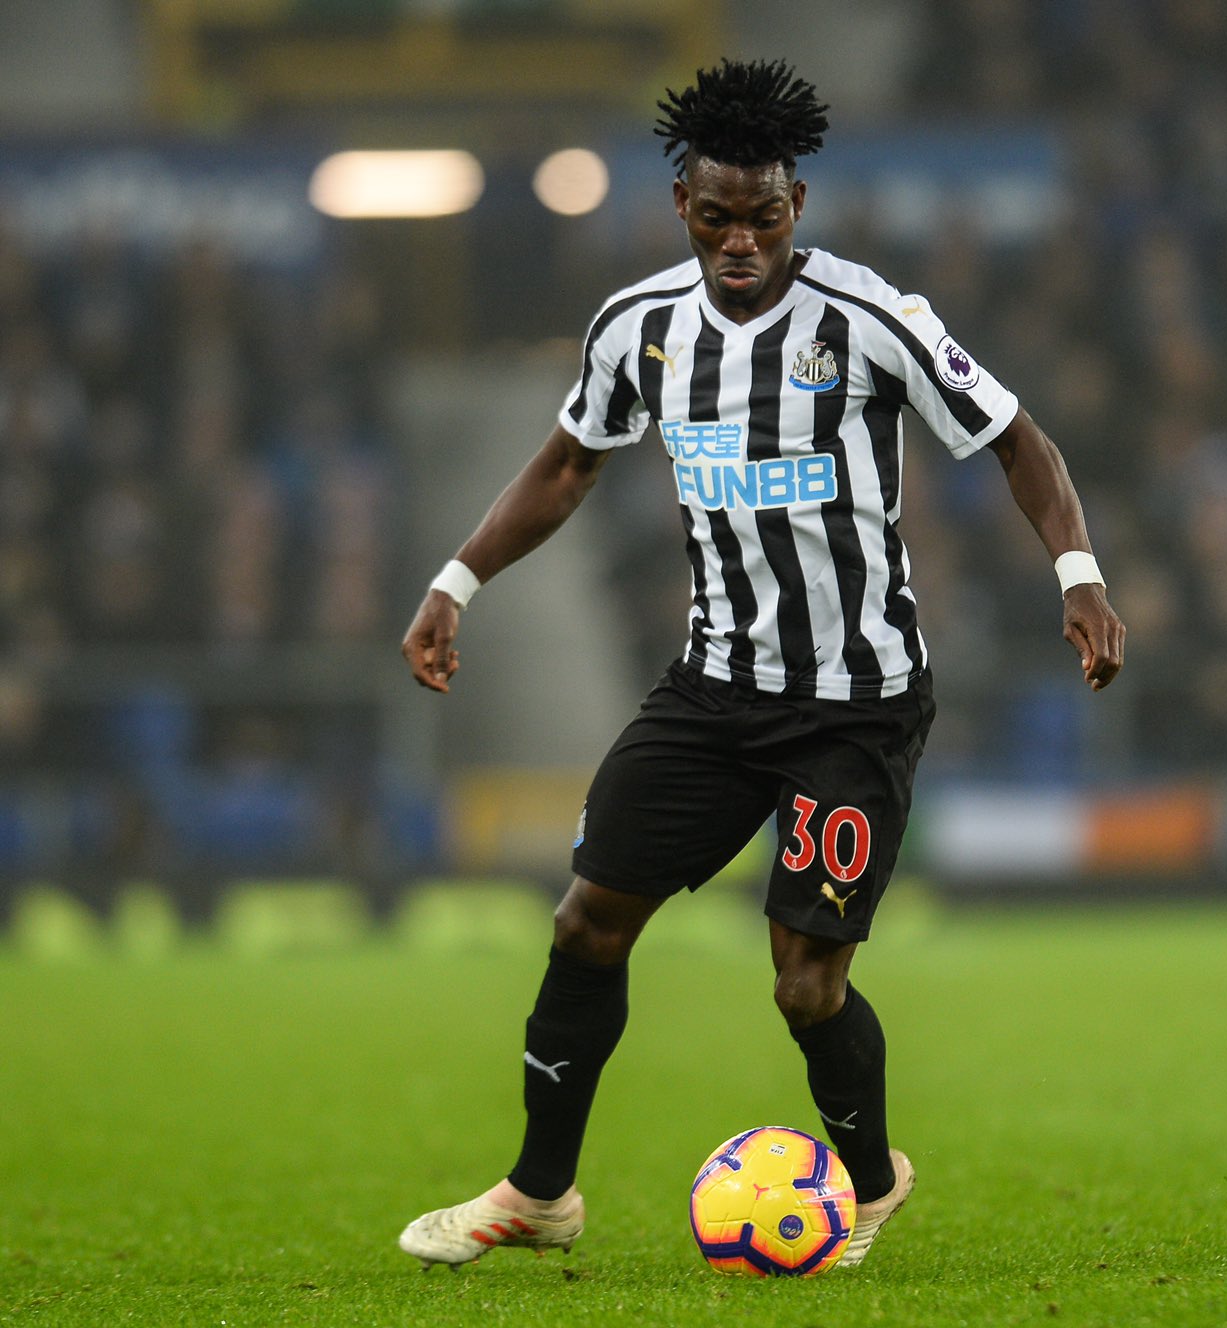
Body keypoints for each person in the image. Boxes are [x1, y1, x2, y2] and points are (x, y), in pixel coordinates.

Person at [394, 59, 1125, 1272]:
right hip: (713, 688)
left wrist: (1079, 575)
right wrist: (454, 581)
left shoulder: (869, 317)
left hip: (855, 702)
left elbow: (1016, 437)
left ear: (798, 206)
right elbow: (567, 464)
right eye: (718, 217)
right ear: (682, 204)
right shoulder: (637, 328)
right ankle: (538, 1191)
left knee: (803, 986)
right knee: (586, 921)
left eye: (764, 217)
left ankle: (871, 1177)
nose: (741, 241)